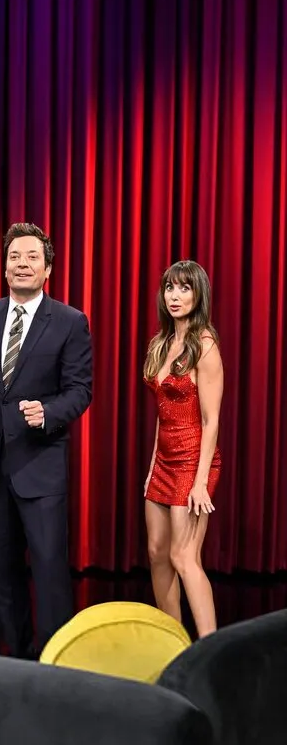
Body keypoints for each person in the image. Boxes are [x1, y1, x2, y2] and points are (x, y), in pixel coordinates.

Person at [0, 222, 92, 658]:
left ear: (48, 269)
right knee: (3, 575)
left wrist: (48, 412)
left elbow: (80, 391)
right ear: (4, 267)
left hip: (39, 466)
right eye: (14, 257)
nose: (22, 264)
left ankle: (54, 663)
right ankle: (19, 658)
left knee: (49, 573)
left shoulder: (70, 321)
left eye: (31, 257)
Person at [143, 259, 223, 637]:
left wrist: (200, 482)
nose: (174, 296)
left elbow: (211, 420)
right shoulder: (161, 344)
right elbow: (162, 415)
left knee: (184, 557)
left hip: (193, 461)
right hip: (163, 461)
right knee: (157, 554)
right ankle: (175, 642)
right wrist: (151, 469)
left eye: (184, 288)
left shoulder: (204, 345)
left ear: (198, 295)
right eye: (169, 288)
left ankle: (210, 651)